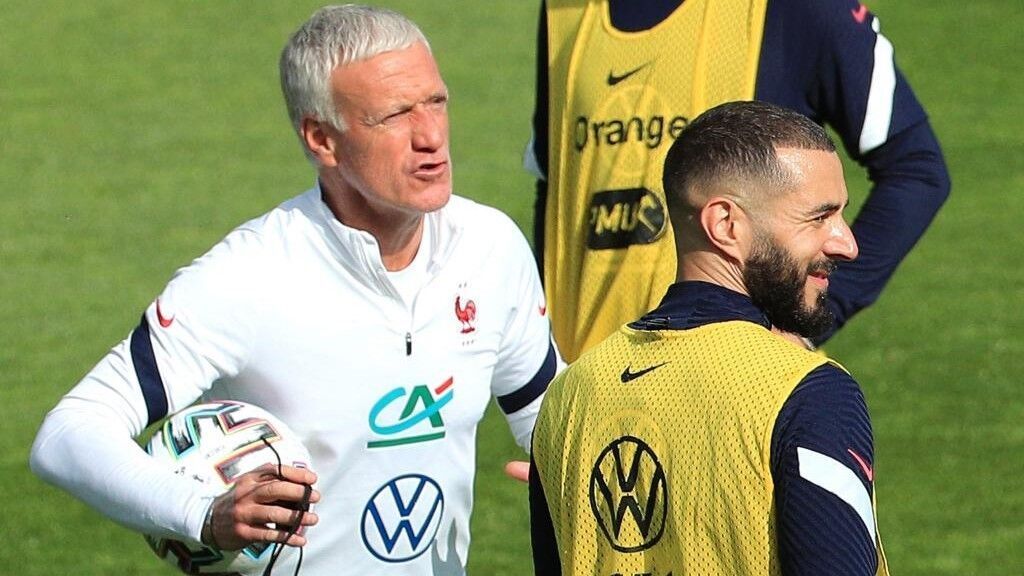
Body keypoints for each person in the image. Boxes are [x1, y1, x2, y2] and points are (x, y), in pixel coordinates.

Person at [30, 5, 560, 575]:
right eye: (394, 116)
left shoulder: (489, 248)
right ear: (321, 140)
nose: (430, 136)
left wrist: (571, 465)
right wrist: (203, 512)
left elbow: (549, 419)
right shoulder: (247, 277)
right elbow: (68, 434)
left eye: (435, 102)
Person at [530, 101, 890, 575]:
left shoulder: (567, 399)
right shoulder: (809, 395)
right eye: (819, 217)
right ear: (726, 224)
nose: (847, 243)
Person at [527, 0, 951, 361]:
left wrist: (803, 320)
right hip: (587, 397)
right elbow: (559, 189)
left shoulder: (797, 9)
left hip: (739, 389)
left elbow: (915, 168)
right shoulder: (564, 12)